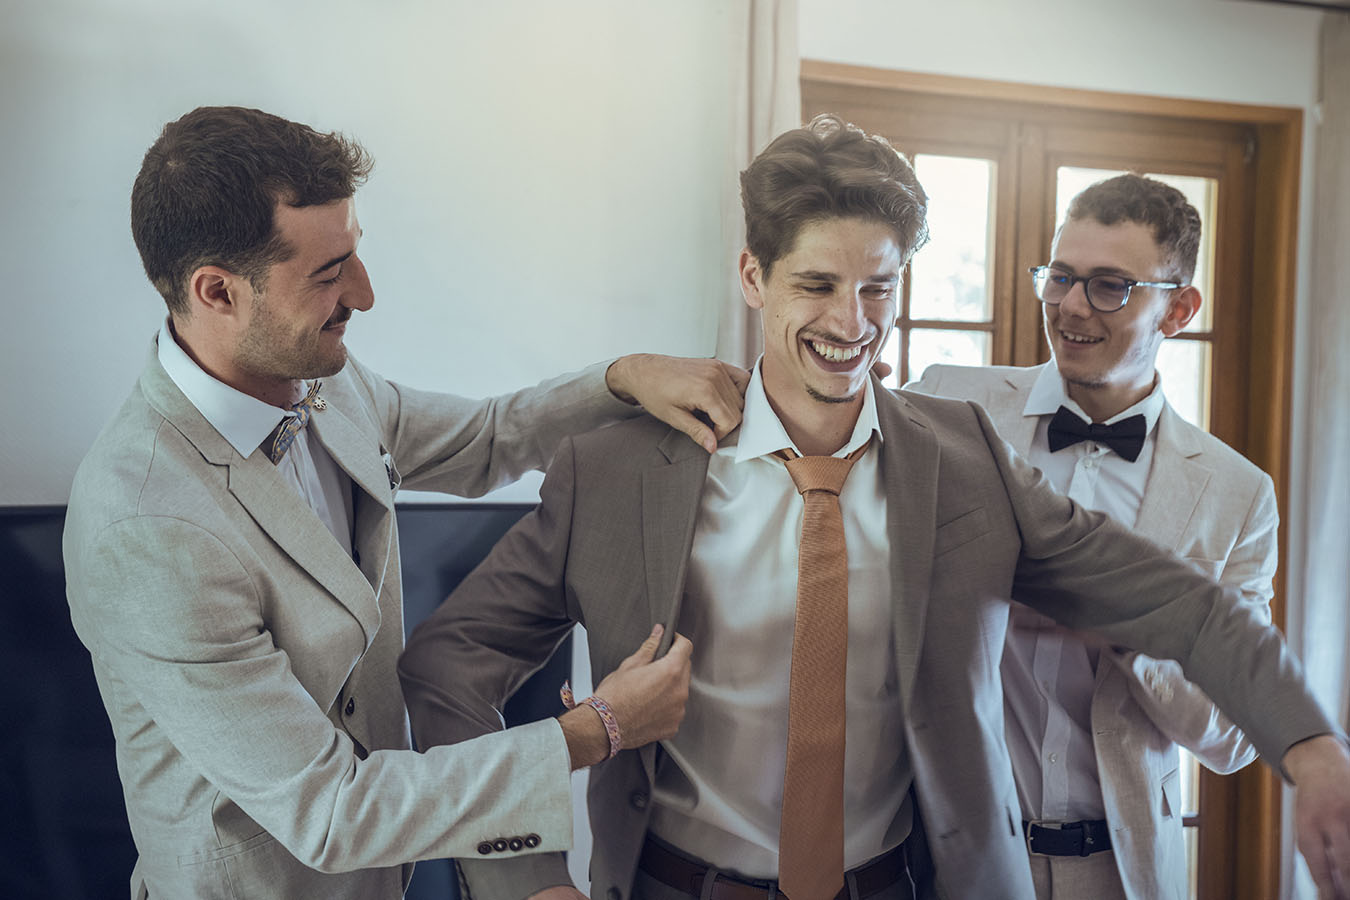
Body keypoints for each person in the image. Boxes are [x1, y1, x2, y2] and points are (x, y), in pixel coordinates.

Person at [399, 114, 1350, 900]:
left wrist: (1308, 745)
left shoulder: (966, 460)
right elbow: (448, 663)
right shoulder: (614, 470)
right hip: (669, 883)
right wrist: (523, 876)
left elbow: (1175, 600)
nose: (851, 323)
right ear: (752, 277)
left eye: (877, 288)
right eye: (816, 285)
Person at [61, 105, 748, 900]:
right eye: (328, 273)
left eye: (355, 255)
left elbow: (486, 438)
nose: (366, 293)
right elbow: (332, 811)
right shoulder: (145, 529)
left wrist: (621, 376)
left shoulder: (326, 379)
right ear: (217, 291)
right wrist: (596, 731)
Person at [906, 173, 1262, 899]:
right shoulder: (945, 402)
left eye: (1109, 286)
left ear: (1178, 309)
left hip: (1122, 872)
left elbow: (1234, 737)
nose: (1070, 306)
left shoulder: (1235, 495)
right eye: (1061, 276)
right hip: (946, 859)